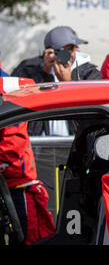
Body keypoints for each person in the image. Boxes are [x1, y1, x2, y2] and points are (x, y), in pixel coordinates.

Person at [0, 66, 55, 244]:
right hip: (9, 184)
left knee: (27, 238)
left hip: (18, 185)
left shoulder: (7, 89)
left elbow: (12, 144)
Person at [12, 26, 101, 135]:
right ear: (48, 51)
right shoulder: (28, 70)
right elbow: (15, 103)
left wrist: (69, 83)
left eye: (70, 49)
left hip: (76, 142)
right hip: (38, 140)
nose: (66, 54)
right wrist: (44, 74)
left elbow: (93, 113)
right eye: (61, 50)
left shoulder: (89, 73)